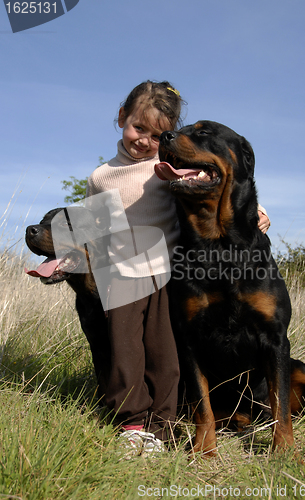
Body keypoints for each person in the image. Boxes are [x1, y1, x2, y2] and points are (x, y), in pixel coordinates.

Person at [86, 80, 270, 453]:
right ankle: (132, 423)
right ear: (122, 117)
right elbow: (94, 229)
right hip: (122, 277)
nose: (144, 140)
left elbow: (221, 190)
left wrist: (259, 213)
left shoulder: (167, 168)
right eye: (138, 127)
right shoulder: (100, 177)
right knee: (126, 353)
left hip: (166, 275)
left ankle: (164, 424)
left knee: (166, 355)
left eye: (156, 135)